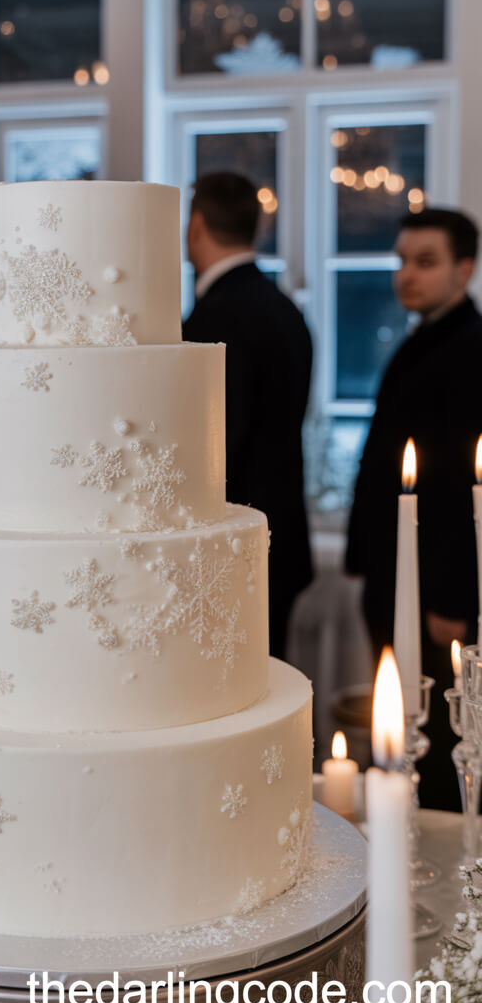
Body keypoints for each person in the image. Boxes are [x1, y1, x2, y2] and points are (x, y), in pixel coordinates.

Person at [346, 207, 482, 809]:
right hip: (396, 572)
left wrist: (453, 601)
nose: (407, 275)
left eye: (425, 262)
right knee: (408, 719)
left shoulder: (470, 348)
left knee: (440, 729)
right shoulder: (425, 339)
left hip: (434, 591)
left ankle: (442, 848)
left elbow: (462, 486)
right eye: (401, 260)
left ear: (464, 269)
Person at [182, 172, 314, 659]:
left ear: (196, 225)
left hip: (233, 547)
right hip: (282, 534)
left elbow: (214, 445)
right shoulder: (286, 309)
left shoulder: (213, 319)